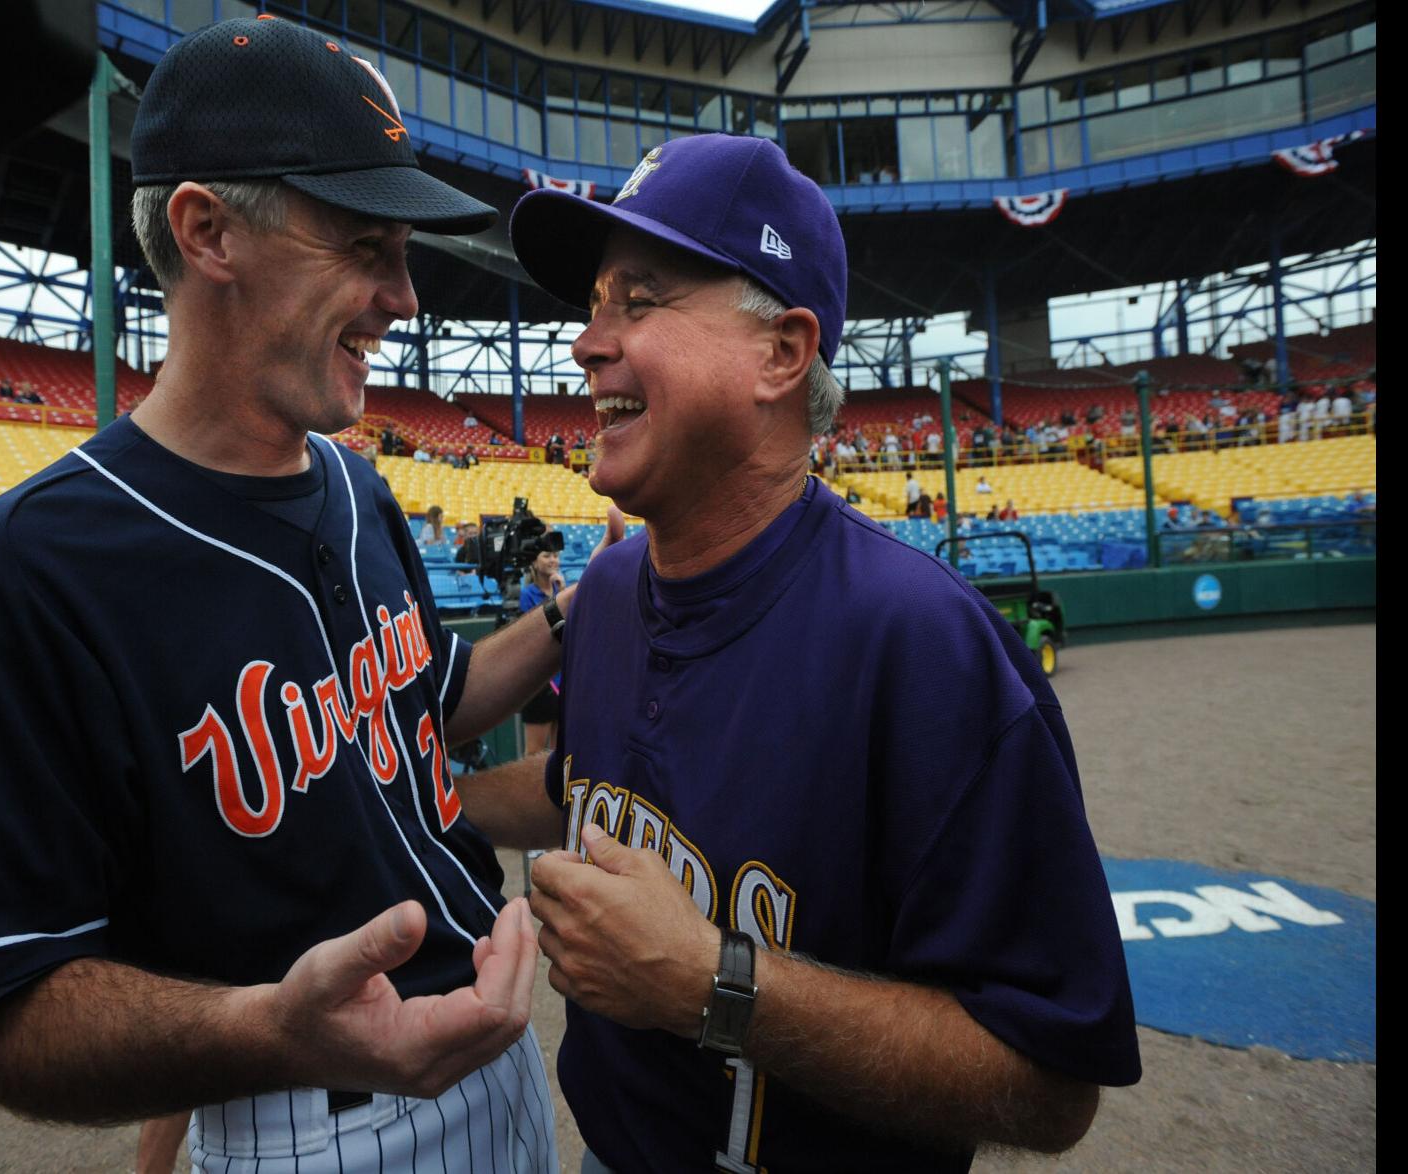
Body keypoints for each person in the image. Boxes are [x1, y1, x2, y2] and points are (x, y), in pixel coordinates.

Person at [0, 18, 580, 1173]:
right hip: (310, 1116)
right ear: (206, 229)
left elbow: (424, 703)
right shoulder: (24, 573)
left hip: (505, 1064)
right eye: (367, 245)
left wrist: (575, 614)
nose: (403, 297)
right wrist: (258, 1030)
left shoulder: (360, 489)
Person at [462, 132, 1140, 1172]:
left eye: (637, 300)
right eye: (593, 304)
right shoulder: (603, 591)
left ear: (780, 353)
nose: (586, 343)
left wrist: (712, 983)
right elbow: (579, 781)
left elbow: (1050, 1083)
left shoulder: (921, 640)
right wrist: (423, 803)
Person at [517, 545, 565, 756]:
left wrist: (562, 592)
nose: (552, 560)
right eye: (547, 555)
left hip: (562, 677)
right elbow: (536, 633)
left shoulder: (562, 590)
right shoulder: (527, 594)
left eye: (555, 555)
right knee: (534, 754)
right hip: (539, 681)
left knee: (559, 752)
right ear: (534, 563)